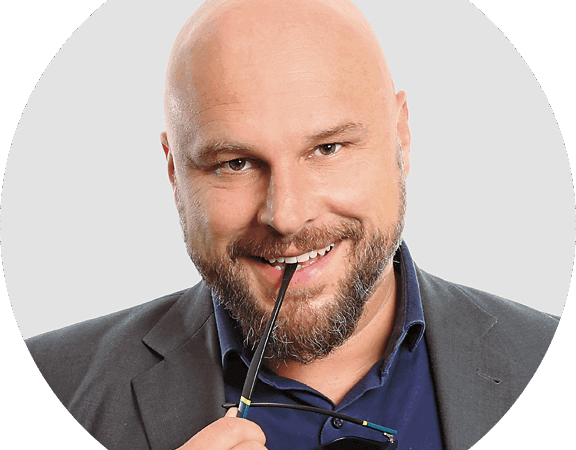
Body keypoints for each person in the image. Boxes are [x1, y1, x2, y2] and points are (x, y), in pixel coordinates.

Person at [26, 1, 559, 449]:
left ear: (401, 136)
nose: (285, 216)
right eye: (235, 163)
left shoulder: (538, 353)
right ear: (173, 171)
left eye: (328, 148)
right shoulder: (56, 383)